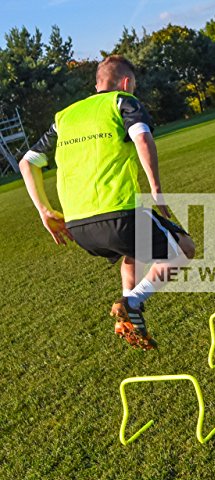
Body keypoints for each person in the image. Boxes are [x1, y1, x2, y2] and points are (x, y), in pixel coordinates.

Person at [19, 55, 195, 351]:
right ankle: (132, 302)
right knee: (184, 249)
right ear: (126, 83)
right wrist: (156, 189)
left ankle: (130, 320)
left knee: (132, 252)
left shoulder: (64, 117)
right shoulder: (122, 101)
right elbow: (142, 138)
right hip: (119, 213)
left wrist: (44, 211)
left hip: (78, 228)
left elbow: (27, 163)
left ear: (97, 84)